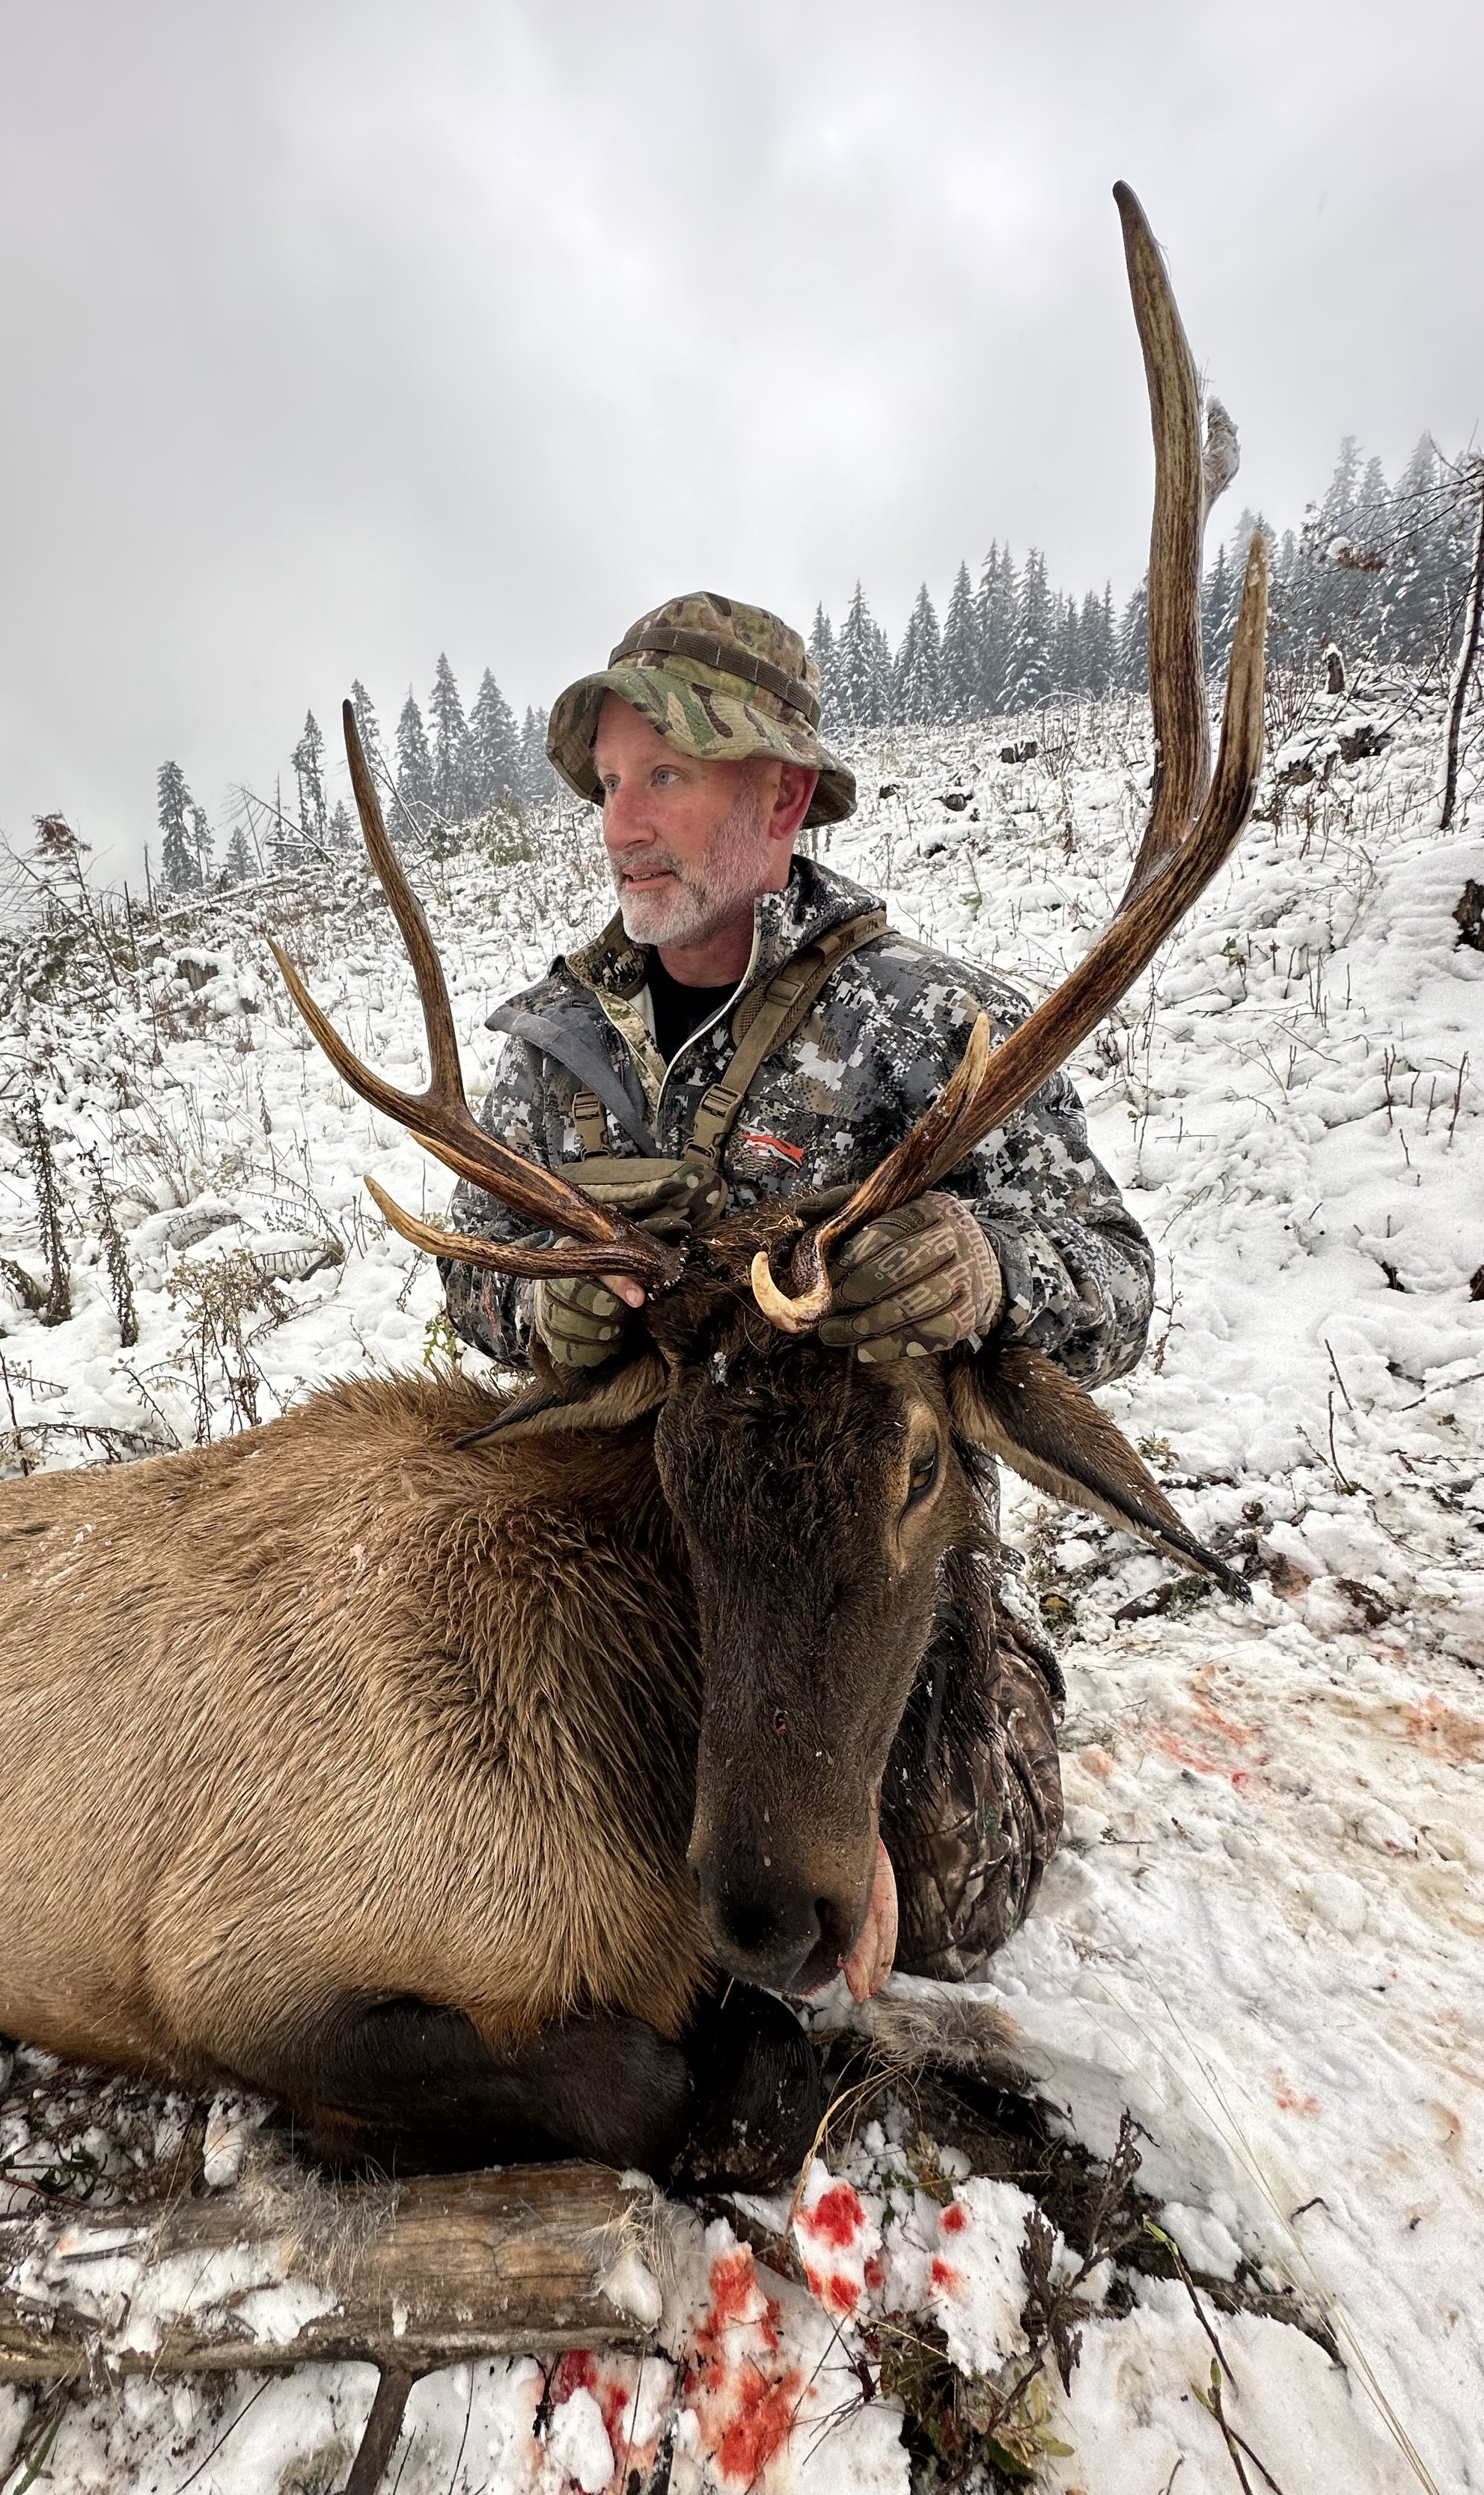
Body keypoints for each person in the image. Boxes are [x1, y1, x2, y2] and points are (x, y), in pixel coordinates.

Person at [438, 591, 1153, 1984]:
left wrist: (990, 1270)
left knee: (942, 1896)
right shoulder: (553, 1040)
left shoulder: (928, 1020)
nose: (620, 825)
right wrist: (535, 1312)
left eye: (666, 778)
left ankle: (999, 1679)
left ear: (780, 798)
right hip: (630, 1528)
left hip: (851, 1556)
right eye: (610, 783)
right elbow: (473, 1268)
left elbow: (1119, 1282)